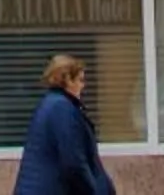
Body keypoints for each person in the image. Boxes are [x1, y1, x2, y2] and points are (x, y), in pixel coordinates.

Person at [14, 54, 112, 195]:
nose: (83, 86)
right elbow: (74, 162)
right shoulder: (62, 108)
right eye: (80, 80)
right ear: (67, 80)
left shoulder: (51, 104)